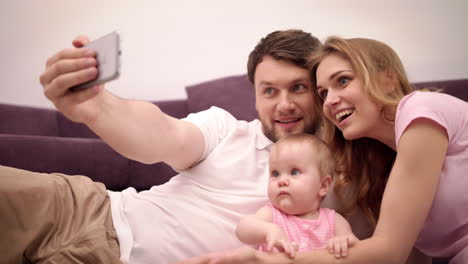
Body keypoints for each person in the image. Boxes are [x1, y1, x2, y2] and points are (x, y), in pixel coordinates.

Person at [0, 29, 322, 264]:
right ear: (254, 95)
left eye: (297, 88)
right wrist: (99, 108)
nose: (284, 105)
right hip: (88, 210)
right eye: (269, 91)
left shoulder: (335, 177)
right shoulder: (226, 128)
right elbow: (164, 135)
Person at [177, 38, 455, 264]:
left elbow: (390, 251)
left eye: (343, 81)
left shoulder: (422, 110)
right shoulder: (379, 158)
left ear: (388, 79)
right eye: (323, 93)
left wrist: (269, 260)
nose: (331, 100)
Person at [235, 133, 358, 259]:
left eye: (294, 172)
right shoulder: (272, 215)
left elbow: (355, 247)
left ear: (323, 186)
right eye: (275, 173)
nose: (281, 181)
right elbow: (242, 229)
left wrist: (342, 242)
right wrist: (268, 230)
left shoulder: (334, 221)